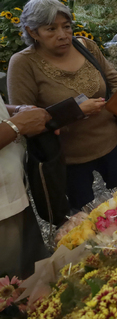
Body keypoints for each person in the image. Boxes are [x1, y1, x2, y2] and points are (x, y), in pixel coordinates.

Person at [8, 0, 117, 210]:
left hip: (110, 144)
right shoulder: (23, 64)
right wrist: (74, 112)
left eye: (66, 26)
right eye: (51, 29)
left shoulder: (85, 46)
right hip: (69, 158)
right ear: (33, 32)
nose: (63, 35)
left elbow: (115, 82)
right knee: (84, 216)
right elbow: (26, 121)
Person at [0, 100, 51, 279]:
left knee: (40, 276)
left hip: (15, 191)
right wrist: (18, 124)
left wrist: (17, 111)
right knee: (12, 290)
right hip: (2, 210)